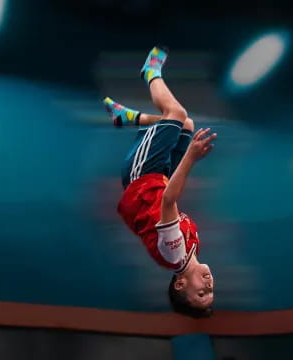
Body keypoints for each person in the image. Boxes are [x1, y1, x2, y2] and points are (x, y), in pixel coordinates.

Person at [103, 46, 217, 317]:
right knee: (186, 124)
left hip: (141, 177)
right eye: (211, 292)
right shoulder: (193, 247)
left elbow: (168, 199)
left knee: (176, 114)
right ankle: (130, 118)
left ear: (181, 284)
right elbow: (167, 197)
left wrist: (189, 157)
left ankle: (150, 72)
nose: (209, 286)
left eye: (201, 292)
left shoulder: (172, 255)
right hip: (160, 177)